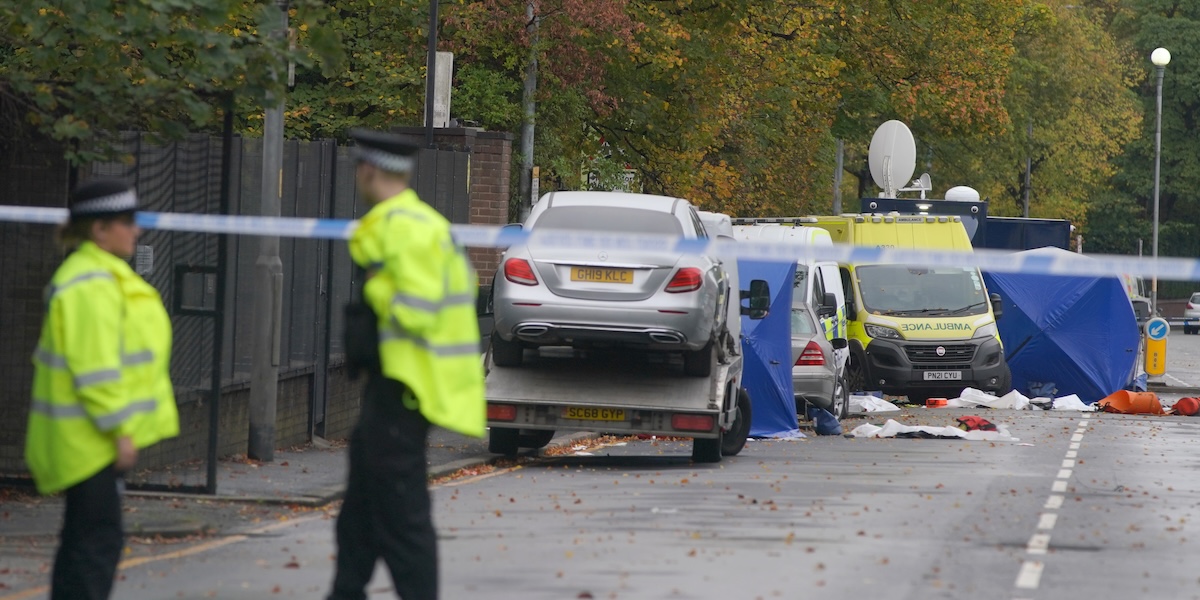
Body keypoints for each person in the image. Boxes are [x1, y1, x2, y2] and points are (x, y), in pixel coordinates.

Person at [328, 129, 485, 600]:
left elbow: (416, 312)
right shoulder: (420, 222)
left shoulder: (404, 228)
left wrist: (375, 282)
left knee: (402, 517)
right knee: (358, 515)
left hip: (405, 387)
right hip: (395, 386)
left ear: (368, 171)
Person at [25, 178, 179, 600]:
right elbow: (95, 372)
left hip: (85, 441)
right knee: (96, 547)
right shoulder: (91, 284)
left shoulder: (93, 276)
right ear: (99, 230)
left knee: (83, 544)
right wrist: (119, 430)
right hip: (90, 442)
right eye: (127, 222)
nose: (137, 230)